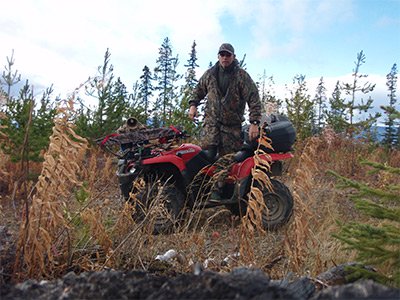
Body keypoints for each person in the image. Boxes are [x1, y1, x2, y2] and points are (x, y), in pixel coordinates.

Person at [188, 43, 262, 158]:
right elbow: (198, 90)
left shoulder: (241, 76)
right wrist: (193, 105)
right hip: (211, 128)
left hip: (231, 130)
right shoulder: (210, 74)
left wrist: (254, 122)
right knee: (206, 161)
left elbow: (254, 98)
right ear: (218, 56)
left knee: (227, 164)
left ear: (233, 56)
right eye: (222, 54)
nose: (225, 57)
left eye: (228, 55)